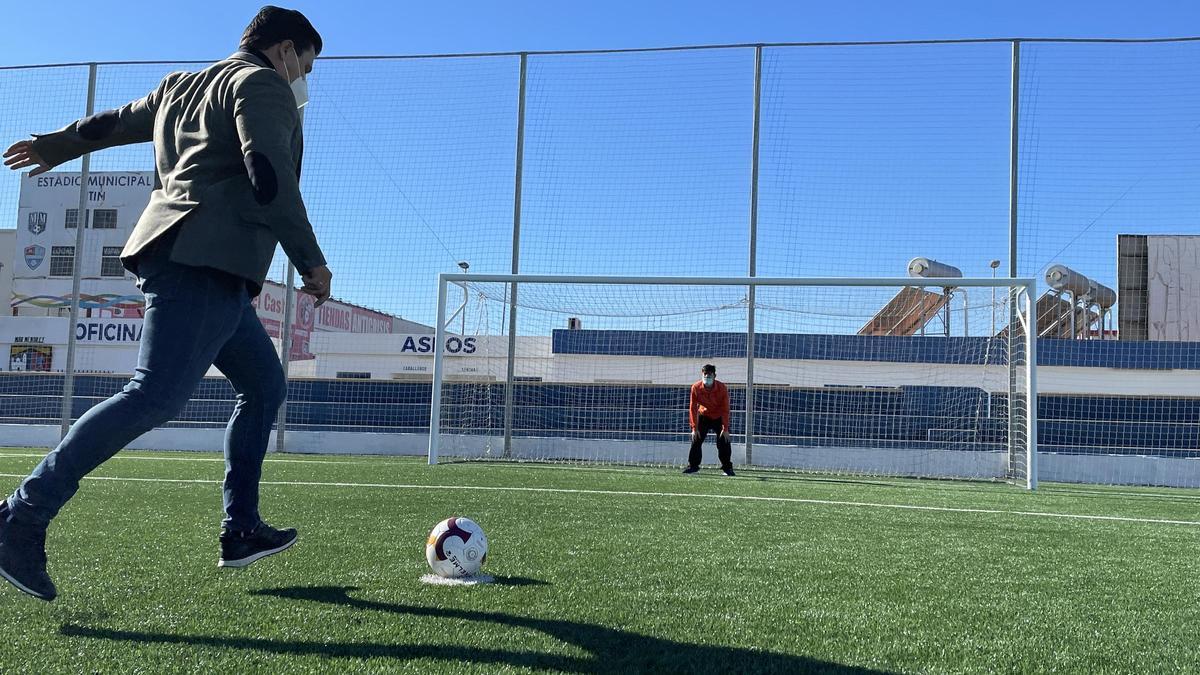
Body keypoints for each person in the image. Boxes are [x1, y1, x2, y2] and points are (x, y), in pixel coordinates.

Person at [0, 6, 332, 601]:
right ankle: (19, 516)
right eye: (304, 65)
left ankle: (241, 529)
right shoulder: (262, 84)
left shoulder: (184, 84)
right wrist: (310, 259)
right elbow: (270, 175)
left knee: (262, 385)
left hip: (205, 265)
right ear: (285, 51)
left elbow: (111, 122)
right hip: (200, 261)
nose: (303, 79)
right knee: (154, 394)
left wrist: (55, 144)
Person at [683, 364, 735, 476]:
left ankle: (727, 468)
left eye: (710, 374)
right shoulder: (695, 388)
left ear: (714, 375)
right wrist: (694, 427)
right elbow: (692, 408)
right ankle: (693, 466)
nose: (707, 376)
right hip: (704, 416)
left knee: (724, 441)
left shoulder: (722, 388)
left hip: (719, 417)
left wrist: (725, 428)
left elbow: (725, 409)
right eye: (705, 374)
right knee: (696, 439)